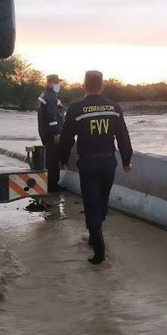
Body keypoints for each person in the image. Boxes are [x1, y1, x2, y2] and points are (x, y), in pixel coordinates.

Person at [58, 70, 133, 264]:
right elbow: (123, 137)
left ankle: (99, 250)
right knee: (101, 201)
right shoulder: (114, 108)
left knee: (91, 203)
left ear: (84, 85)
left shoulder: (76, 109)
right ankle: (94, 235)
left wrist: (62, 158)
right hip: (109, 162)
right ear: (102, 86)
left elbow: (66, 138)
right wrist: (126, 160)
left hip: (88, 162)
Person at [37, 73, 65, 192]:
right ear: (49, 83)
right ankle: (52, 185)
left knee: (50, 157)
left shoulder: (48, 95)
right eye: (56, 82)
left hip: (46, 132)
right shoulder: (50, 97)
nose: (58, 84)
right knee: (53, 158)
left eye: (58, 82)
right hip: (51, 133)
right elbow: (51, 117)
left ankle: (50, 183)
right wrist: (56, 133)